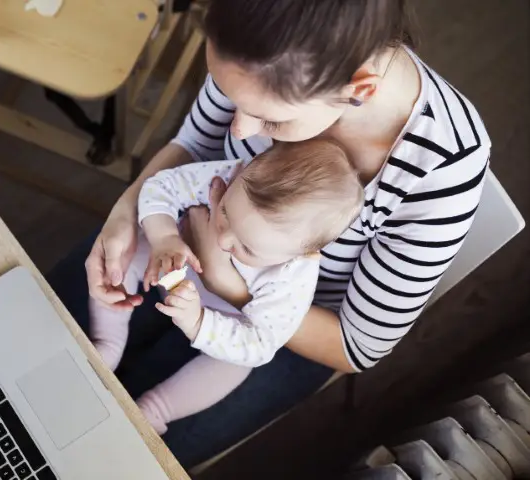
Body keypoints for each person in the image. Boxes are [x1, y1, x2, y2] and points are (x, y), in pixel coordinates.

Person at [47, 0, 490, 468]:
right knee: (42, 346)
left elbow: (357, 345)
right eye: (229, 95)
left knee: (111, 454)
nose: (240, 129)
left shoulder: (444, 166)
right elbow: (195, 144)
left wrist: (233, 288)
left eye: (272, 120)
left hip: (287, 327)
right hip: (180, 231)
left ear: (359, 88)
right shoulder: (259, 37)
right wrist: (125, 212)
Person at [90, 139, 364, 434]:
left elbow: (260, 343)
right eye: (225, 214)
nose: (222, 241)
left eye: (247, 248)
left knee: (236, 364)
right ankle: (107, 343)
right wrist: (164, 237)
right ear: (238, 175)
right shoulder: (232, 175)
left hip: (224, 317)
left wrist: (199, 322)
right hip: (171, 262)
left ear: (301, 255)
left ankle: (155, 410)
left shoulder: (294, 276)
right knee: (125, 257)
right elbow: (160, 187)